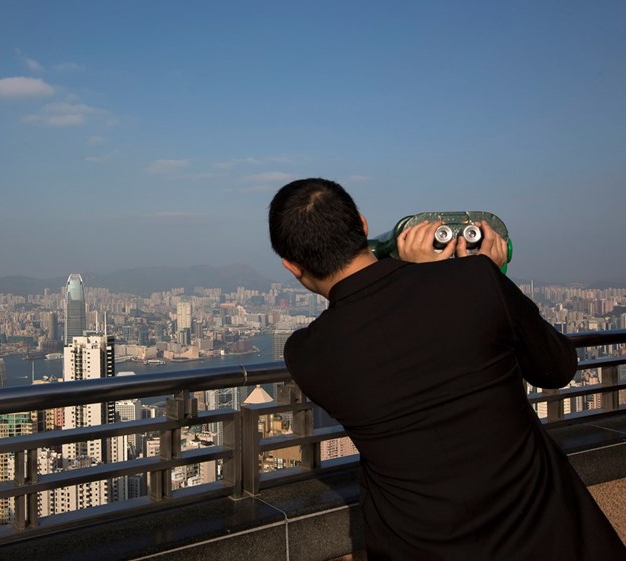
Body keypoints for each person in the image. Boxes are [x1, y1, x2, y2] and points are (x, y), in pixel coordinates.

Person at [268, 178, 625, 560]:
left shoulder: (306, 354)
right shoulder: (476, 279)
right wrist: (468, 273)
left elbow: (371, 329)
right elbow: (557, 368)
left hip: (419, 544)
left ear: (293, 267)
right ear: (363, 223)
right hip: (545, 530)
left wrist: (417, 273)